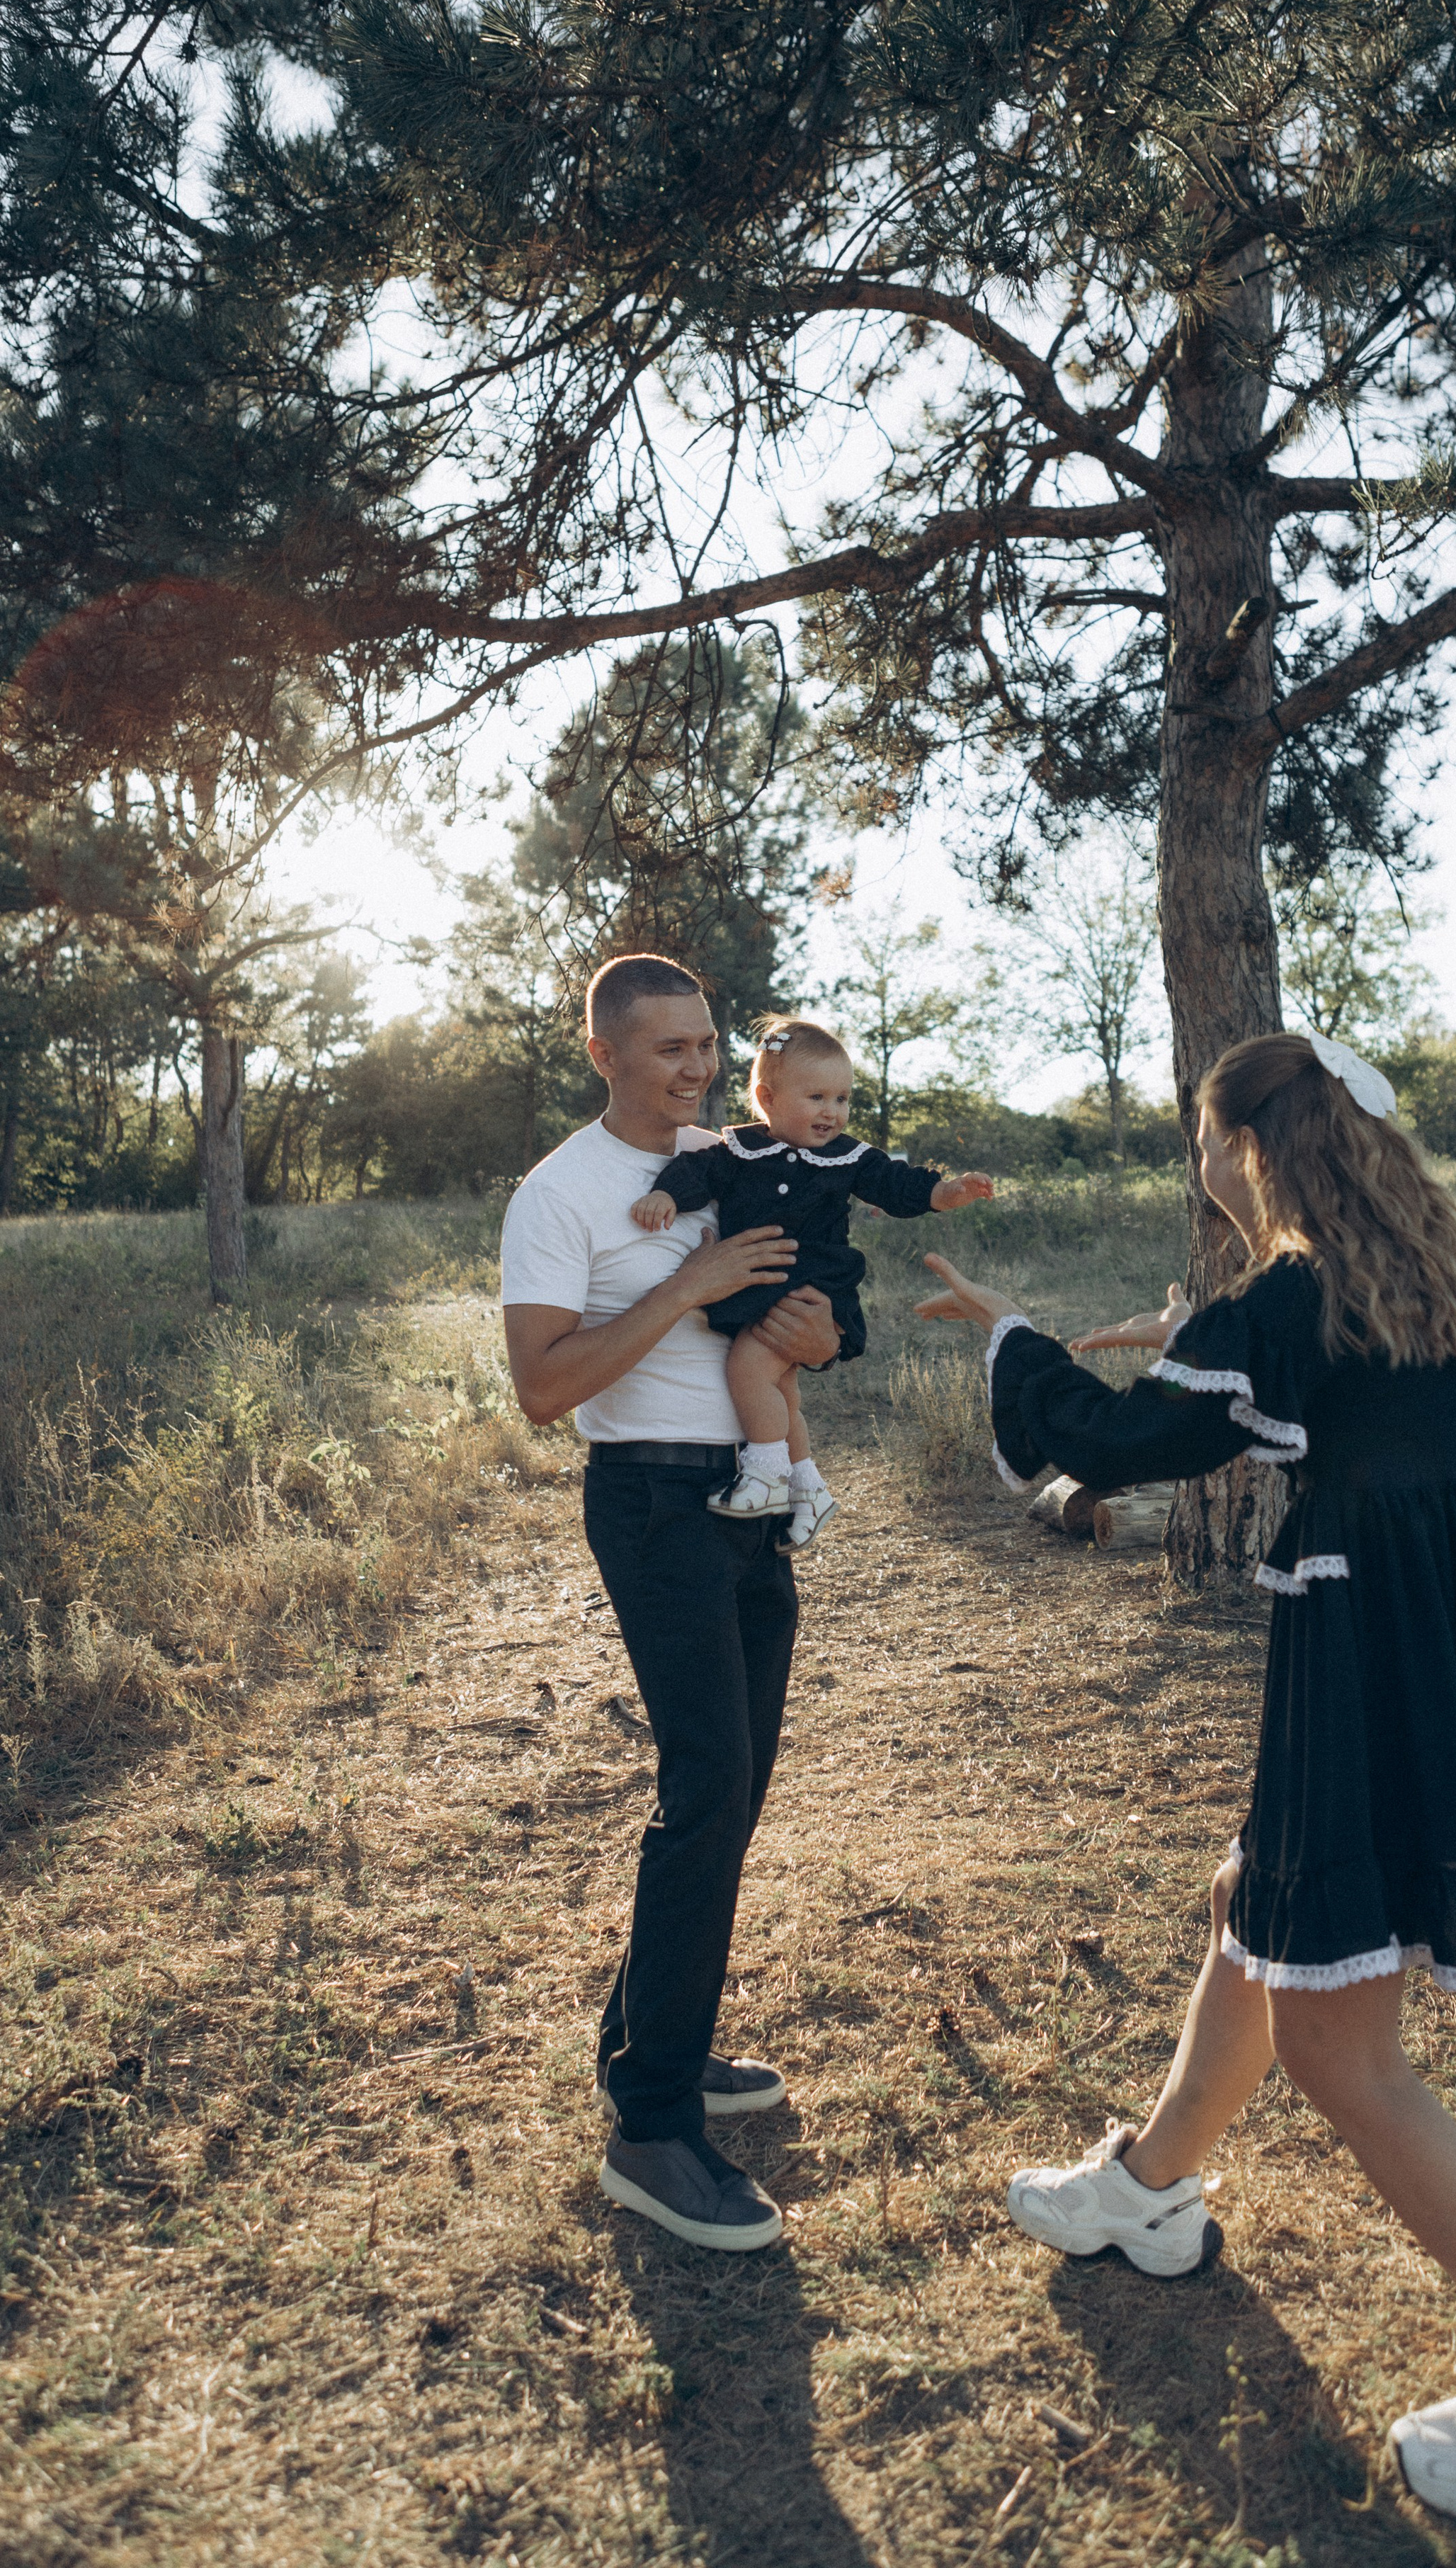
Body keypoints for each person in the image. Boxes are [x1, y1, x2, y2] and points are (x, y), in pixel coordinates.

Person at [916, 1028, 1456, 2529]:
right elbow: (1286, 1383)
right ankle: (1144, 2187)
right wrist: (1197, 1333)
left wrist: (1012, 1335)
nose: (1196, 1168)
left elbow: (1130, 1448)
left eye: (1201, 1144)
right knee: (1259, 1898)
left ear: (1239, 1148)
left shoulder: (1289, 1293)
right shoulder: (1428, 1269)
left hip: (1377, 1660)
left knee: (1343, 2056)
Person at [501, 954, 843, 2254]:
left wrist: (805, 1333)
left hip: (748, 1499)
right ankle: (650, 2128)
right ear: (605, 1055)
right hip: (650, 1504)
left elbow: (788, 1312)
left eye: (706, 1046)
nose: (697, 1070)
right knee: (706, 1785)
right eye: (669, 1051)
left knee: (737, 1784)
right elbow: (543, 1390)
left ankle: (659, 2044)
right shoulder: (558, 1196)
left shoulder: (738, 1159)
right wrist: (685, 1288)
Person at [632, 1015, 994, 1545]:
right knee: (781, 1392)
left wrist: (945, 1193)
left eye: (842, 1099)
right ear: (767, 1097)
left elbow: (894, 1185)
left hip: (811, 1292)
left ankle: (765, 1476)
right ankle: (809, 1489)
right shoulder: (738, 1152)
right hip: (761, 1291)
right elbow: (697, 1173)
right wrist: (667, 1194)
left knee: (749, 1369)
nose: (832, 1111)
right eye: (817, 1097)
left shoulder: (847, 1158)